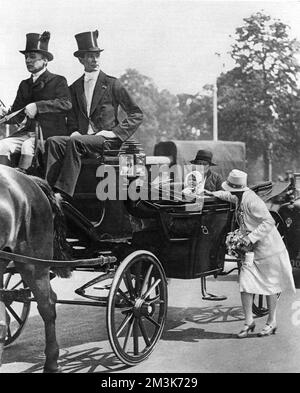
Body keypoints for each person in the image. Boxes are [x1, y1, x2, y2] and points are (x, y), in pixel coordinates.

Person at [45, 30, 143, 199]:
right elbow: (72, 117)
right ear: (81, 59)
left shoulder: (112, 84)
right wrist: (74, 130)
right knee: (53, 142)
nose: (94, 59)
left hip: (106, 141)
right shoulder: (74, 87)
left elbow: (136, 114)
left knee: (75, 142)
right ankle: (47, 190)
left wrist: (115, 133)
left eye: (97, 55)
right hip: (82, 139)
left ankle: (62, 193)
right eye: (90, 56)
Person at [206, 169, 296, 338]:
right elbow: (228, 197)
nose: (230, 193)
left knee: (270, 287)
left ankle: (272, 322)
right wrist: (212, 193)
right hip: (253, 252)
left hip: (270, 250)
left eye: (232, 190)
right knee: (245, 284)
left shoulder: (253, 201)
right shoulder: (239, 197)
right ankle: (249, 322)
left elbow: (269, 221)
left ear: (238, 189)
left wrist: (251, 238)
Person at [0, 31, 71, 172]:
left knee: (28, 145)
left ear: (45, 60)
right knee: (2, 145)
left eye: (32, 57)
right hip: (26, 133)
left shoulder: (58, 80)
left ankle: (28, 186)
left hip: (49, 135)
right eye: (26, 57)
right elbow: (17, 115)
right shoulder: (24, 84)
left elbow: (66, 104)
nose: (27, 60)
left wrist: (38, 106)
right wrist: (5, 115)